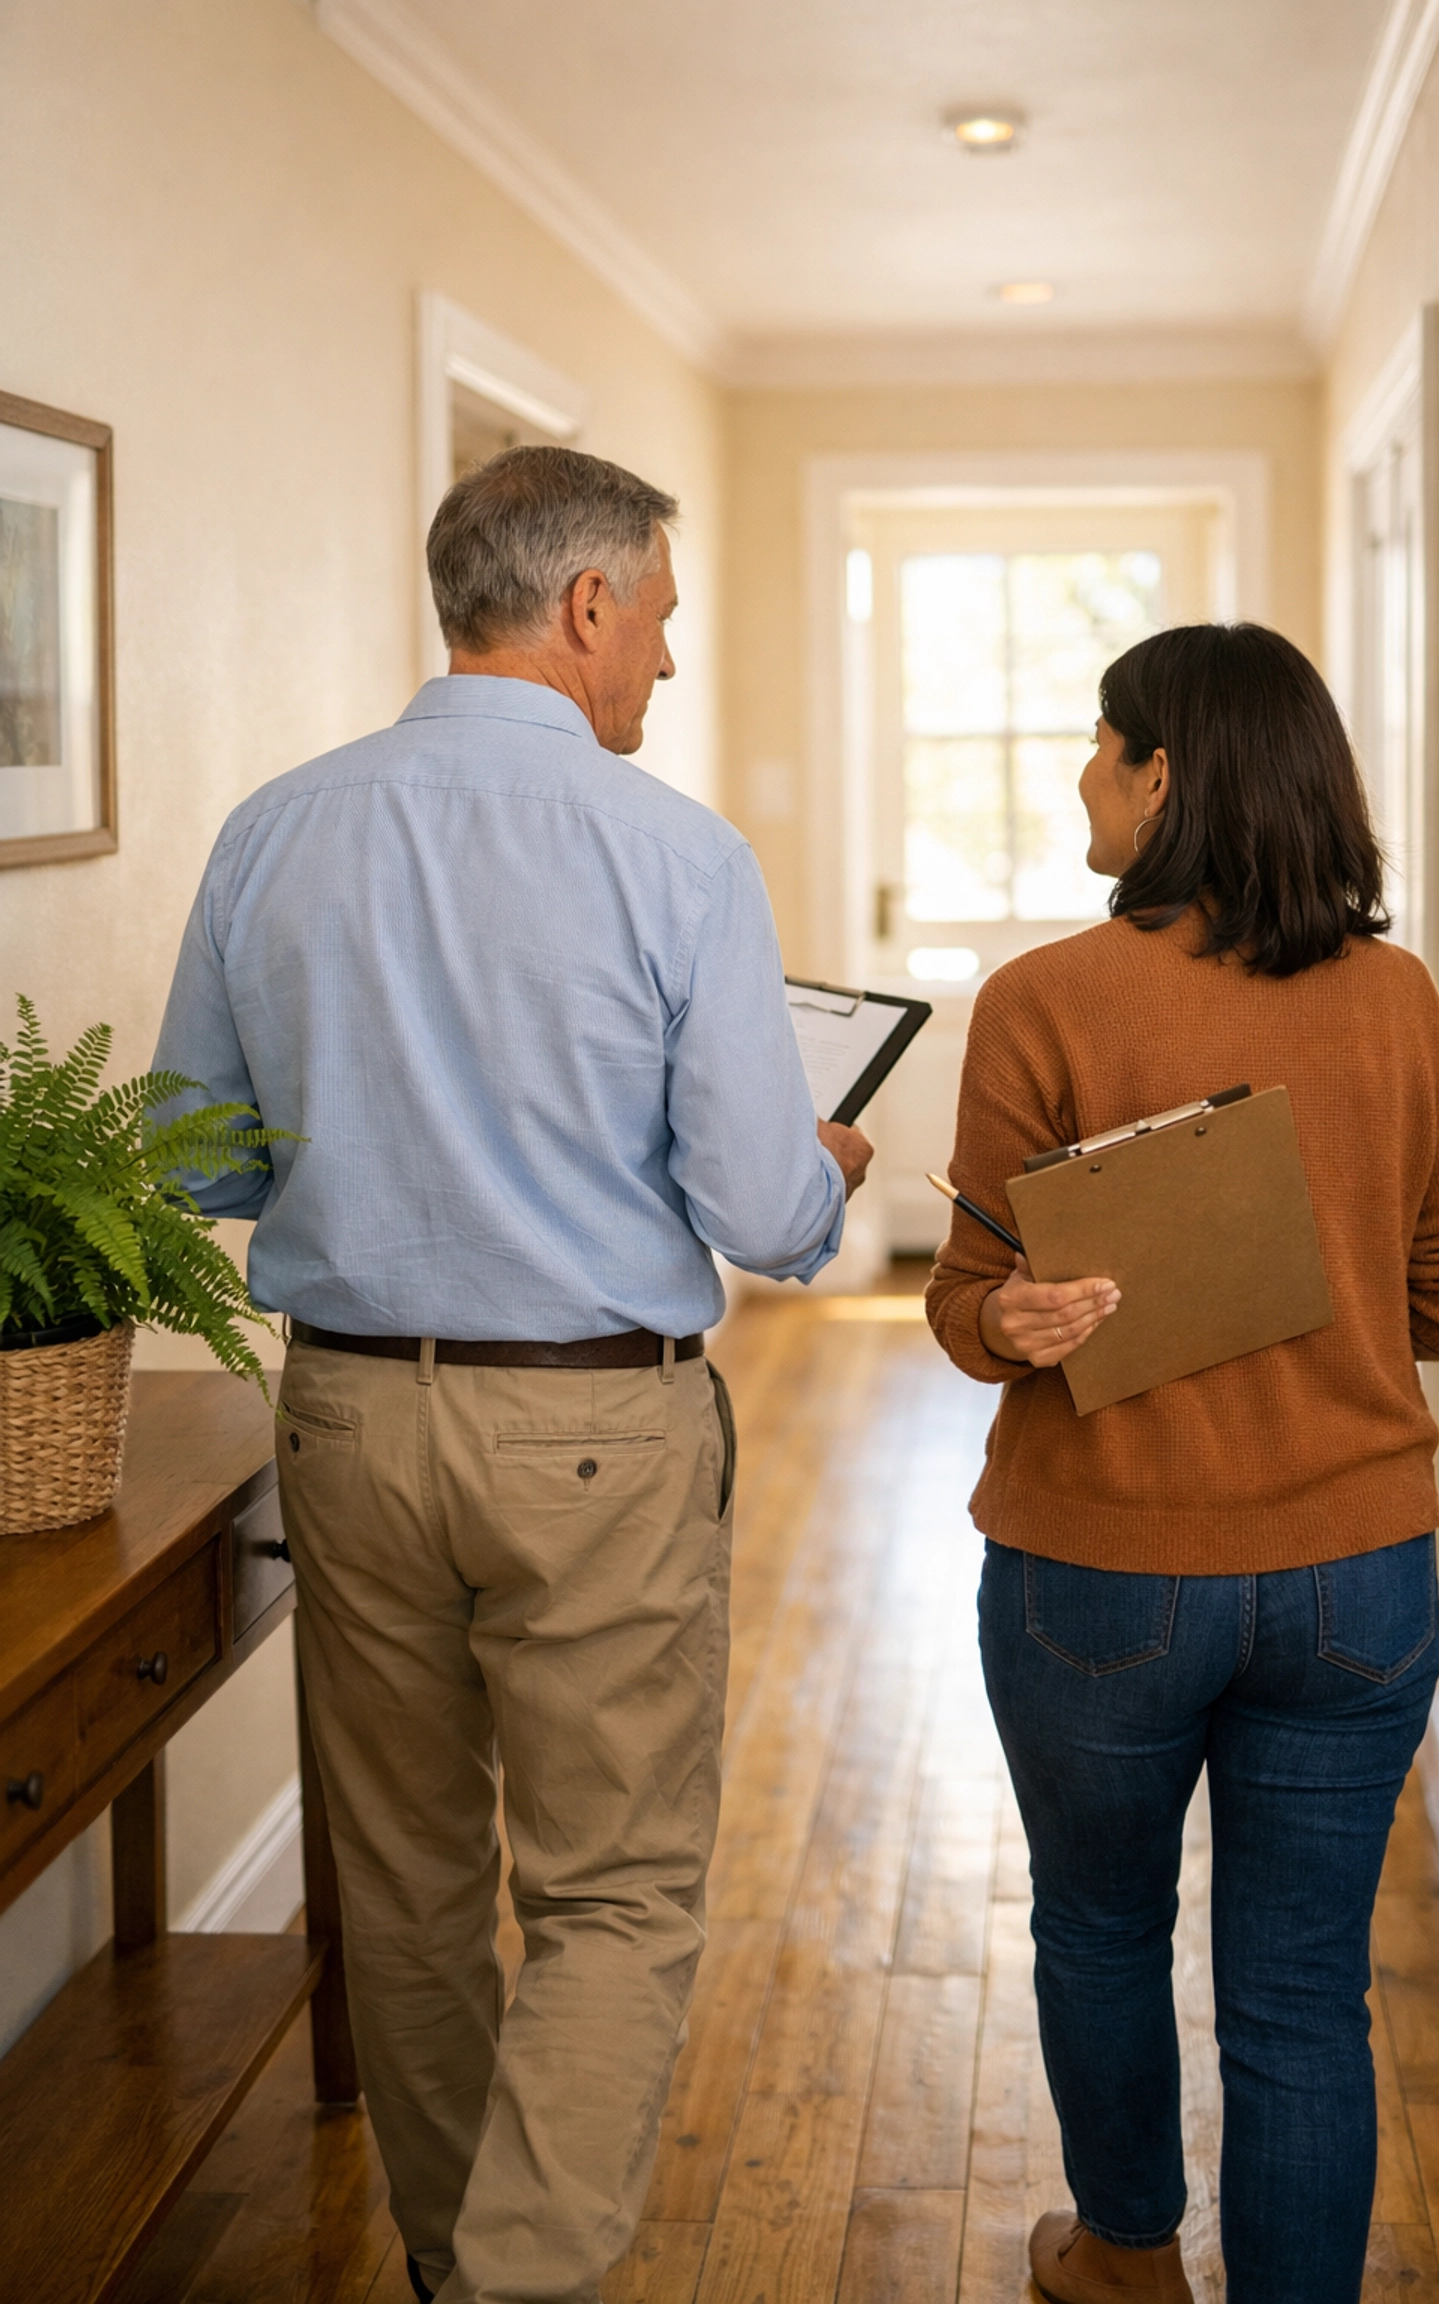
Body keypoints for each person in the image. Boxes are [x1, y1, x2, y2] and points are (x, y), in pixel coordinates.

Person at [153, 445, 872, 2304]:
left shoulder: (270, 830)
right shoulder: (676, 855)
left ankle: (450, 2267)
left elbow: (197, 1165)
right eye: (661, 621)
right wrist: (821, 1175)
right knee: (613, 1895)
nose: (666, 665)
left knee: (400, 1892)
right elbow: (762, 1213)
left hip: (347, 1417)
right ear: (584, 608)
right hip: (593, 1432)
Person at [926, 622, 1439, 2304]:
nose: (1081, 777)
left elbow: (967, 1305)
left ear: (1162, 775)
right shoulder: (1395, 1000)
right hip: (1356, 1587)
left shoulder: (1044, 1001)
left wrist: (1020, 1325)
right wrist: (1333, 1284)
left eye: (1100, 746)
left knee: (1100, 1931)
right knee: (1303, 1994)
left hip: (1098, 1579)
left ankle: (1125, 2261)